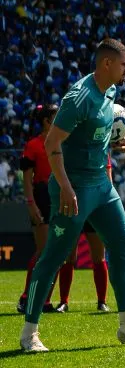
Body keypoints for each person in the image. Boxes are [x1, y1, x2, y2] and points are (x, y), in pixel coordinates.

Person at [20, 38, 125, 353]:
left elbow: (91, 137)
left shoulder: (111, 91)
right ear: (107, 64)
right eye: (124, 64)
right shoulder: (78, 98)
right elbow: (52, 145)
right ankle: (28, 333)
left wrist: (116, 143)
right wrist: (66, 188)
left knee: (123, 243)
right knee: (54, 258)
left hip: (101, 184)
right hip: (73, 187)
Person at [18, 104, 70, 315]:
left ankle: (45, 301)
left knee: (58, 252)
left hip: (59, 196)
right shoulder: (33, 145)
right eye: (56, 116)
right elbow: (27, 180)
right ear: (47, 121)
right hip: (41, 197)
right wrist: (31, 204)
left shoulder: (64, 142)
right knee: (45, 251)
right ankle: (25, 298)